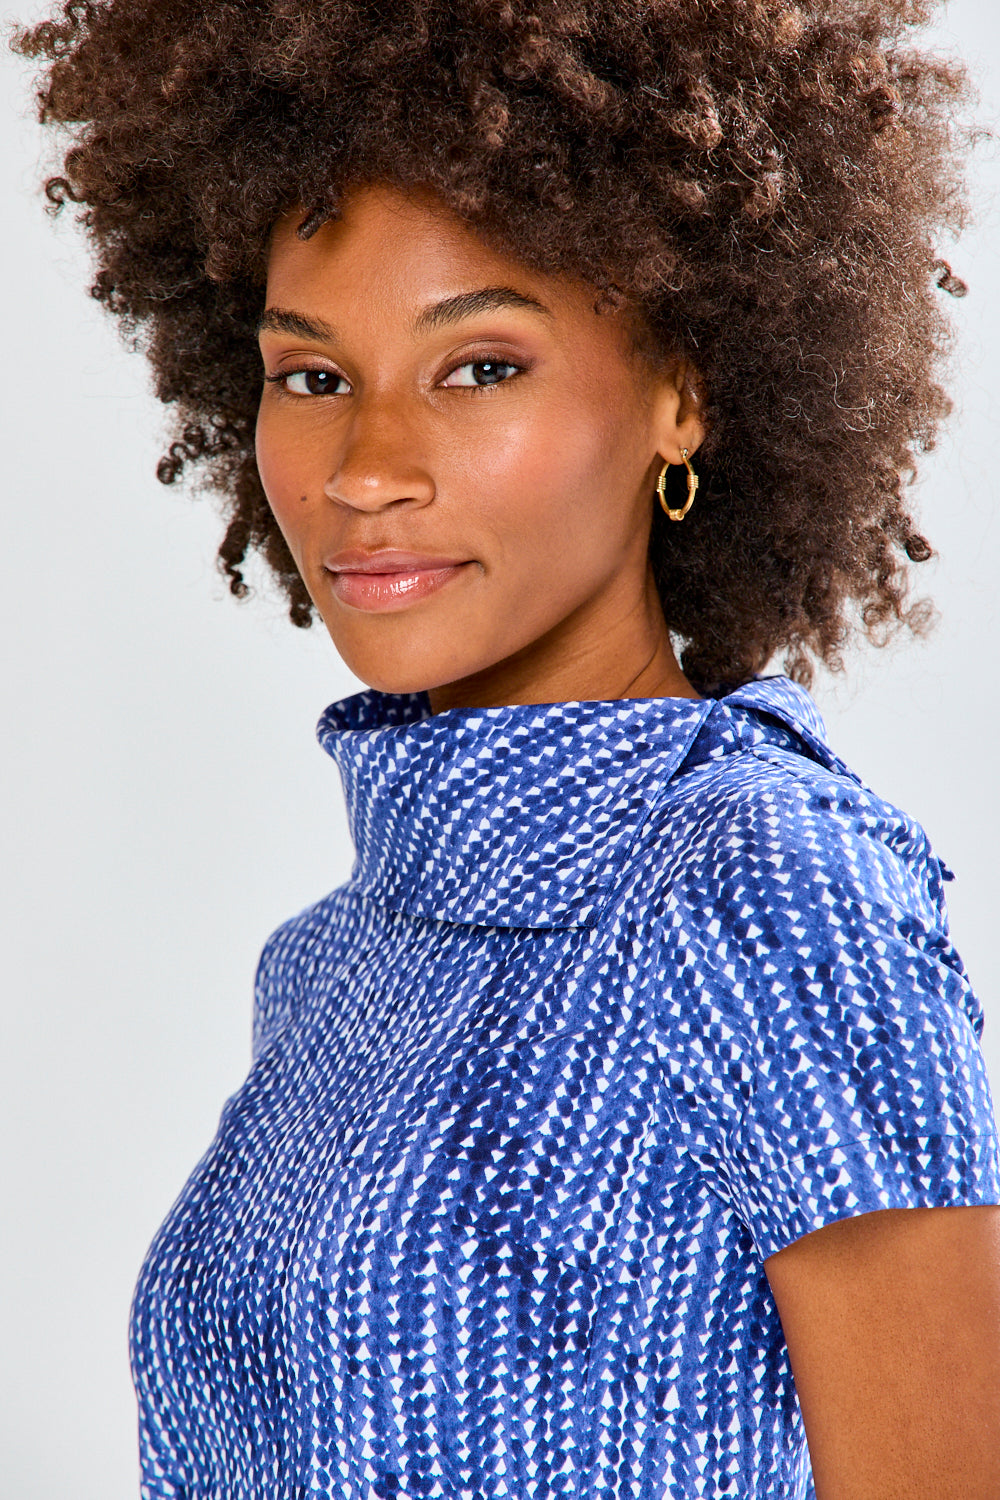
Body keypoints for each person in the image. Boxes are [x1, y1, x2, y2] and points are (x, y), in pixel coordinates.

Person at [16, 0, 1000, 1495]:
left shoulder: (768, 886)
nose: (369, 473)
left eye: (480, 366)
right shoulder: (331, 964)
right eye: (312, 377)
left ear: (682, 393)